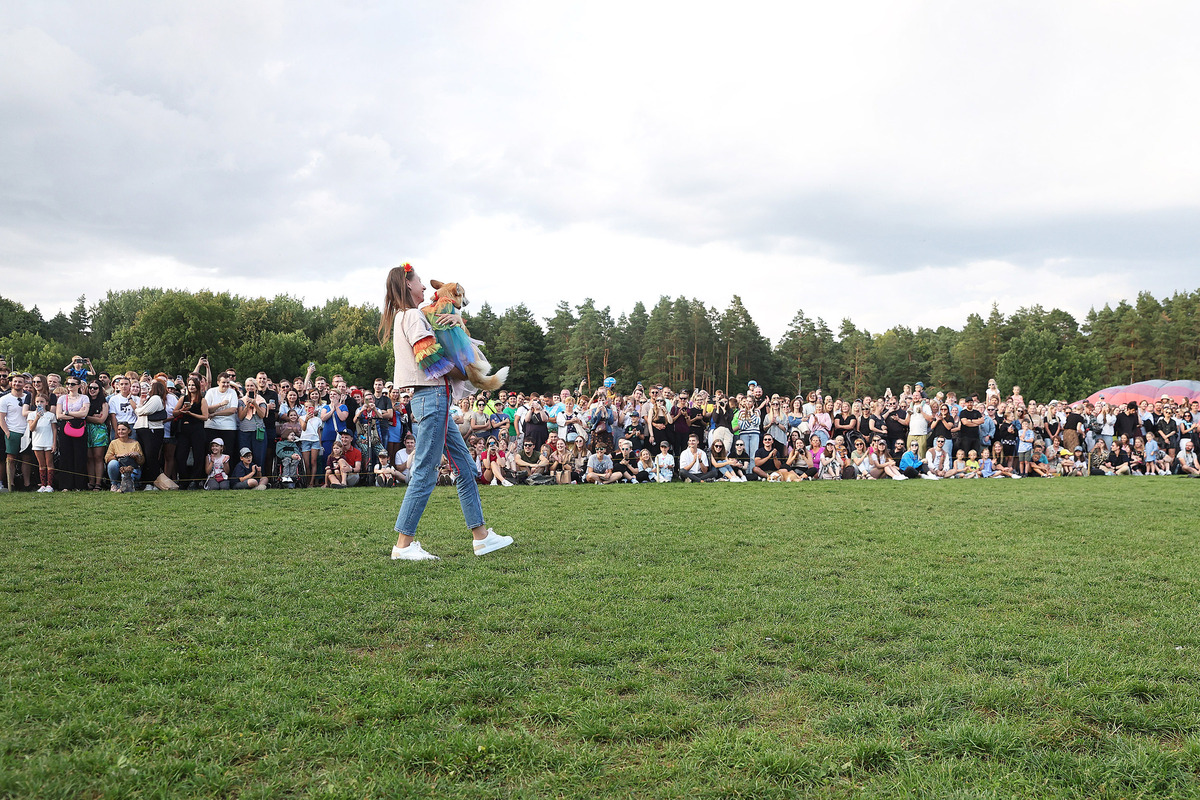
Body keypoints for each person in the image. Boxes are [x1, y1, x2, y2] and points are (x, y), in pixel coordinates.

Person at [380, 264, 512, 560]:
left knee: (465, 467)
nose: (424, 287)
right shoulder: (412, 315)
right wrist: (468, 374)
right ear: (408, 284)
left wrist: (457, 319)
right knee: (425, 471)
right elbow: (430, 357)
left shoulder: (409, 315)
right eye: (419, 281)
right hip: (432, 397)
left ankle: (481, 537)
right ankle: (403, 545)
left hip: (434, 399)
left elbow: (441, 332)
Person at [56, 376, 89, 491]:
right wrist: (76, 414)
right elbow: (59, 415)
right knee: (66, 455)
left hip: (79, 427)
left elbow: (84, 413)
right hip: (65, 427)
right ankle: (66, 485)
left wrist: (67, 413)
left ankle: (80, 485)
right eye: (68, 384)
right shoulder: (62, 398)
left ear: (79, 385)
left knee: (80, 455)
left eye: (73, 384)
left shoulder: (84, 398)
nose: (70, 386)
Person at [1, 374, 30, 492]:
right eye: (15, 381)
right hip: (13, 431)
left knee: (27, 459)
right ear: (11, 383)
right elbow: (1, 417)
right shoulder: (4, 399)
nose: (17, 384)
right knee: (11, 459)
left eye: (20, 382)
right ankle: (11, 484)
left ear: (24, 384)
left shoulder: (29, 397)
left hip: (27, 431)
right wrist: (7, 432)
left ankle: (27, 484)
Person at [27, 393, 58, 491]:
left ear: (46, 403)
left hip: (48, 441)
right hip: (37, 442)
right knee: (41, 464)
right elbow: (31, 428)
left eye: (42, 401)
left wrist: (54, 443)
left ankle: (50, 485)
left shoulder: (51, 415)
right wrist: (37, 418)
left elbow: (54, 429)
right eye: (37, 402)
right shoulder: (31, 415)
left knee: (49, 463)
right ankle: (43, 485)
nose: (39, 403)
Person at [105, 421, 145, 492]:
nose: (120, 432)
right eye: (119, 430)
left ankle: (127, 485)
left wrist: (136, 455)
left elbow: (141, 462)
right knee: (112, 463)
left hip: (131, 469)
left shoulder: (135, 443)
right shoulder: (114, 443)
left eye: (123, 429)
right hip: (119, 467)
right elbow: (107, 459)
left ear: (129, 431)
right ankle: (114, 484)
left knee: (125, 476)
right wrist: (117, 456)